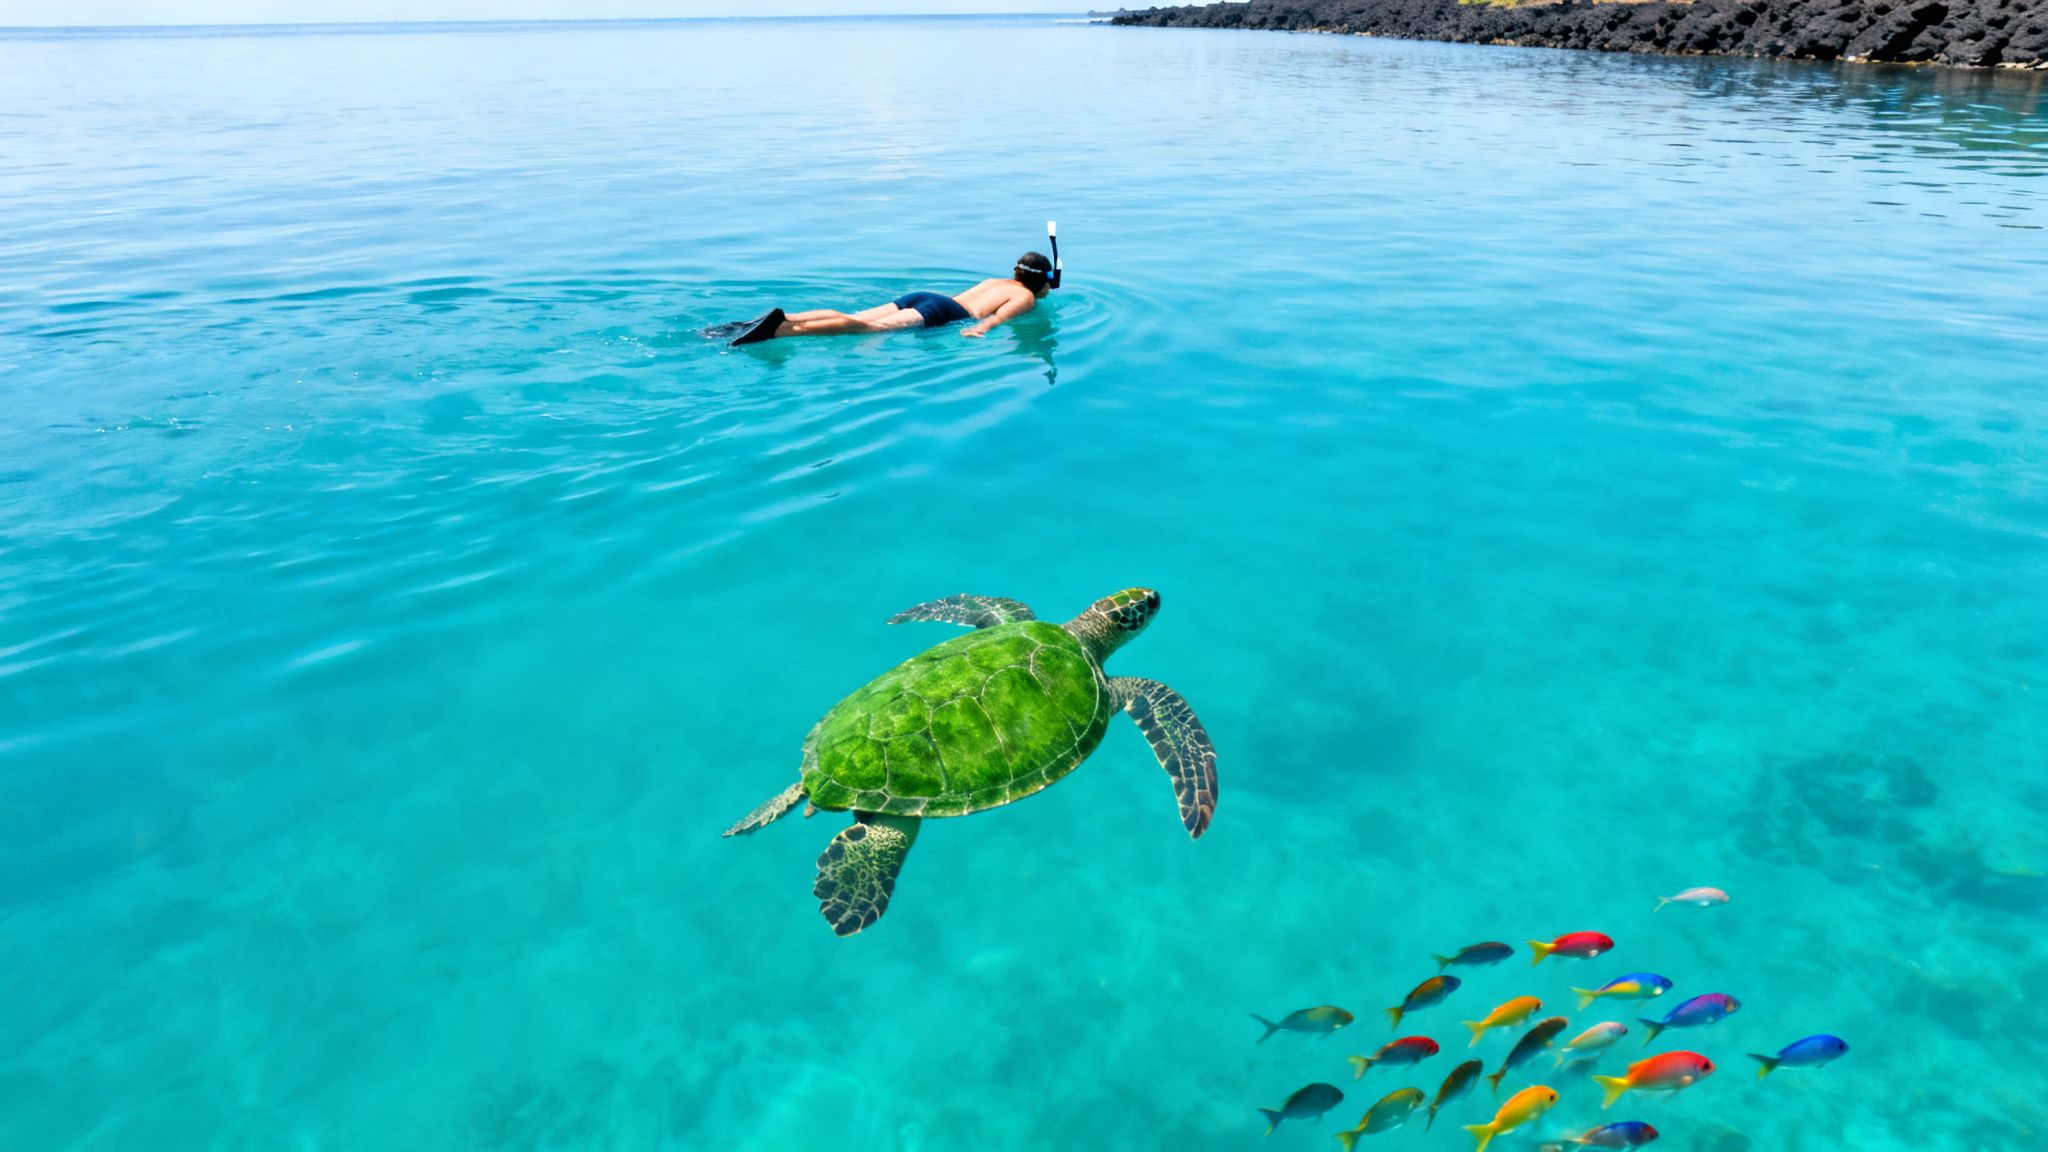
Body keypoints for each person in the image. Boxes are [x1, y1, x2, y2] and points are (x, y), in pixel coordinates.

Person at [729, 252, 1054, 344]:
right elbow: (996, 318)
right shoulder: (1024, 296)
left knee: (859, 314)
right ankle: (781, 329)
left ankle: (787, 317)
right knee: (864, 328)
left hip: (926, 296)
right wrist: (979, 330)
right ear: (1041, 282)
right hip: (944, 311)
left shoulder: (995, 280)